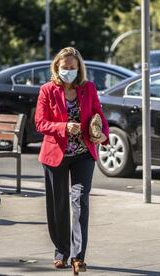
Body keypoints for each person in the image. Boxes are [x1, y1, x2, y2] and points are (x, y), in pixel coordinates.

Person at [35, 47, 109, 275]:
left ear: (79, 69)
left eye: (72, 67)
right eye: (64, 67)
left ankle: (78, 256)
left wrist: (104, 133)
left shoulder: (88, 88)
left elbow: (98, 114)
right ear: (57, 67)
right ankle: (61, 251)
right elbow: (40, 123)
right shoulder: (47, 90)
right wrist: (64, 127)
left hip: (83, 154)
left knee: (80, 201)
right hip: (55, 154)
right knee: (58, 206)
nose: (68, 71)